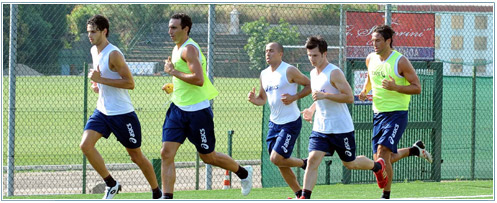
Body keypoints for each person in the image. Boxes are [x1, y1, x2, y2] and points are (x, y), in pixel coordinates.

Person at [160, 13, 253, 199]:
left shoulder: (189, 50)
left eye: (174, 28)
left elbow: (199, 79)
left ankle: (244, 173)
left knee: (208, 157)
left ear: (185, 29)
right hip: (177, 110)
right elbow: (185, 78)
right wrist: (173, 86)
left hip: (197, 113)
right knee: (166, 153)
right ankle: (167, 197)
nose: (169, 31)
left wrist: (173, 71)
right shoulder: (176, 48)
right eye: (169, 27)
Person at [80, 14, 162, 199]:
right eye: (88, 32)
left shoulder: (114, 54)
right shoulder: (94, 51)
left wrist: (100, 80)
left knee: (136, 157)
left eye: (93, 32)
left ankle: (157, 193)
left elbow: (130, 83)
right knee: (85, 145)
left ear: (104, 31)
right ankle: (112, 184)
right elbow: (103, 82)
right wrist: (97, 86)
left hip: (122, 114)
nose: (90, 36)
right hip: (102, 111)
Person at [299, 36, 387, 199]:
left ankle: (377, 166)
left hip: (341, 128)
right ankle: (304, 197)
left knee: (350, 163)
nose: (312, 59)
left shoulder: (334, 73)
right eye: (309, 55)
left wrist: (325, 96)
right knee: (312, 160)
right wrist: (312, 109)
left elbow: (348, 97)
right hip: (321, 128)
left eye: (315, 55)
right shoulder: (312, 73)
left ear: (324, 54)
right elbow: (319, 98)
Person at [358, 25, 433, 199]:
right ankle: (414, 150)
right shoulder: (370, 59)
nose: (374, 44)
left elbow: (417, 88)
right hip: (378, 114)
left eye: (378, 40)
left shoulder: (400, 61)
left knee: (383, 152)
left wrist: (395, 87)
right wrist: (364, 91)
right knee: (382, 159)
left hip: (397, 114)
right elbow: (370, 77)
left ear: (388, 41)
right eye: (373, 41)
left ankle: (386, 196)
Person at [247, 42, 311, 199]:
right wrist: (255, 100)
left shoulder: (289, 70)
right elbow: (263, 98)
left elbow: (310, 85)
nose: (268, 54)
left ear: (281, 53)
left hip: (290, 122)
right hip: (274, 123)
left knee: (276, 158)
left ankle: (304, 163)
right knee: (280, 162)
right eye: (266, 51)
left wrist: (294, 97)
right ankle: (299, 195)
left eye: (271, 51)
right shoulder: (264, 74)